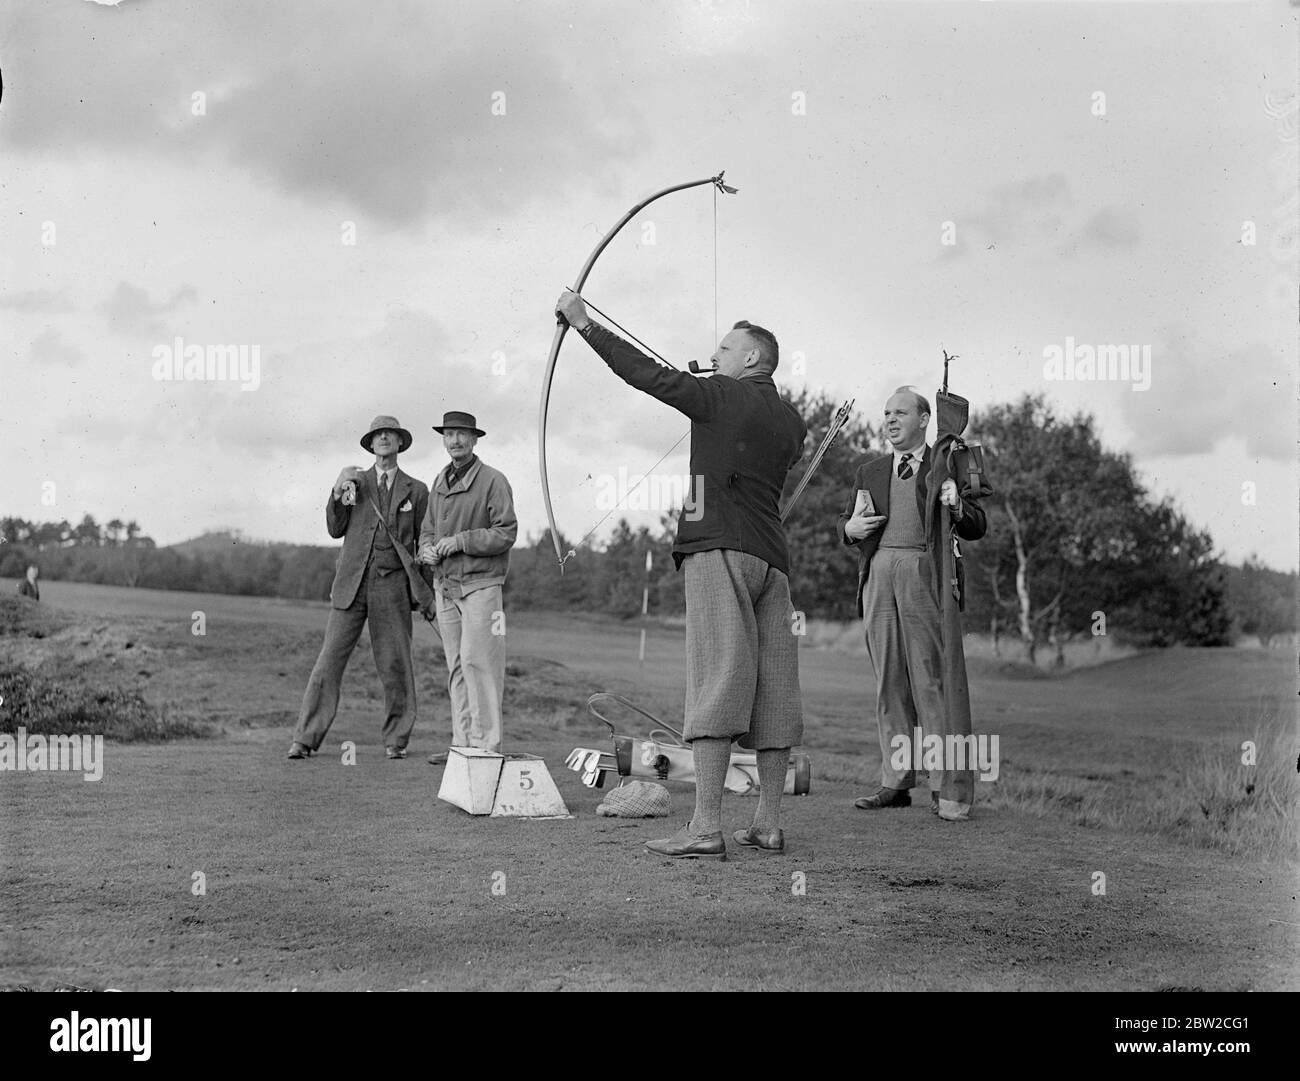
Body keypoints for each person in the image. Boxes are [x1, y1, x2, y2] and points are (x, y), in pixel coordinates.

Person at [556, 289, 807, 859]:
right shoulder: (791, 422)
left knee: (717, 681)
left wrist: (584, 325)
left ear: (751, 360)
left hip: (720, 550)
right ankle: (767, 824)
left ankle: (705, 829)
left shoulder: (721, 393)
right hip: (773, 563)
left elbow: (649, 377)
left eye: (725, 348)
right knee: (773, 695)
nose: (714, 354)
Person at [838, 387, 987, 819]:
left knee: (930, 680)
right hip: (878, 574)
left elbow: (977, 525)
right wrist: (849, 529)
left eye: (900, 412)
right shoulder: (869, 470)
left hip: (925, 572)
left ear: (925, 419)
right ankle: (896, 782)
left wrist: (956, 503)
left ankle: (945, 786)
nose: (889, 419)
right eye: (886, 413)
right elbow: (849, 528)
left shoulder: (950, 463)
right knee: (889, 681)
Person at [288, 415, 430, 761]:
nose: (384, 439)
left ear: (400, 443)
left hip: (393, 585)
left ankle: (396, 740)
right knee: (328, 662)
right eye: (378, 435)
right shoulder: (354, 481)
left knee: (395, 662)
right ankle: (305, 739)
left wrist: (424, 594)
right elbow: (335, 529)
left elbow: (424, 544)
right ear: (370, 444)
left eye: (390, 435)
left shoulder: (417, 489)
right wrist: (337, 491)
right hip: (351, 584)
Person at [418, 411, 517, 764]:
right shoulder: (440, 481)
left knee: (481, 663)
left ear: (475, 440)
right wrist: (425, 548)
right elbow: (428, 529)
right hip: (445, 585)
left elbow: (506, 532)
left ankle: (486, 747)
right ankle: (461, 744)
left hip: (481, 585)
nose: (455, 441)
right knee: (457, 665)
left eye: (461, 435)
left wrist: (461, 541)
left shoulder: (493, 480)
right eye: (449, 435)